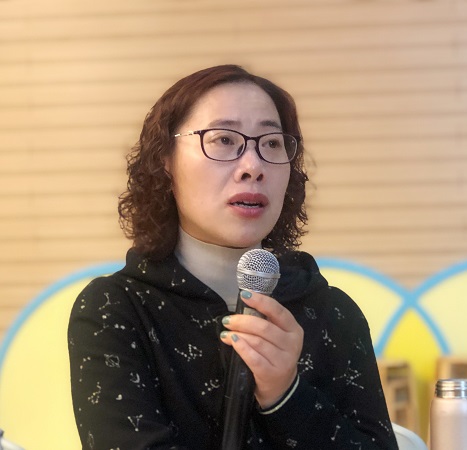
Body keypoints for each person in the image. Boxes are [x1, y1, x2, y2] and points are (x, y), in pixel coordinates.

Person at [68, 64, 398, 449]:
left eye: (271, 143)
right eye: (223, 140)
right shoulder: (115, 309)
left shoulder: (333, 313)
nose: (253, 167)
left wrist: (286, 395)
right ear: (165, 160)